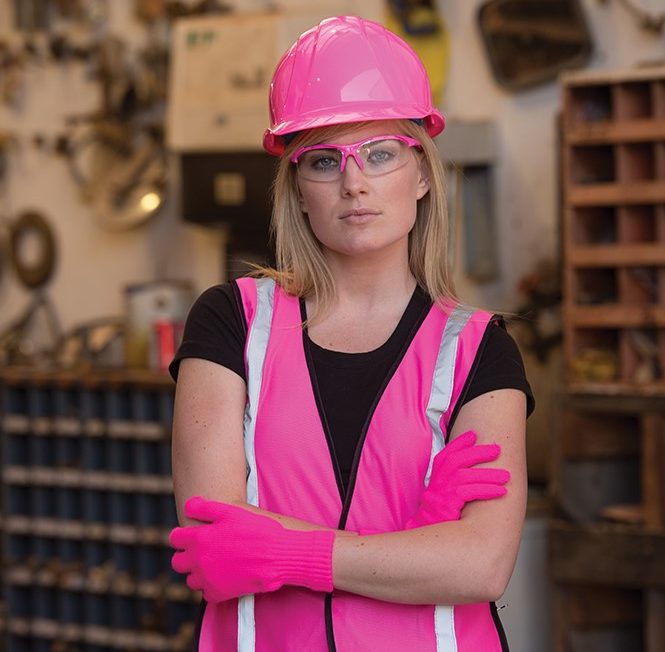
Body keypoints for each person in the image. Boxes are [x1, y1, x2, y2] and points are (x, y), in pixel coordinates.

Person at [168, 15, 534, 652]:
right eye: (324, 160)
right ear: (297, 190)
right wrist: (414, 538)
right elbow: (214, 545)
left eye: (381, 153)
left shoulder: (479, 350)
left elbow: (480, 565)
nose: (354, 182)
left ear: (422, 175)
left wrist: (287, 551)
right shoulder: (232, 323)